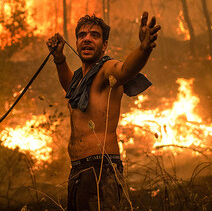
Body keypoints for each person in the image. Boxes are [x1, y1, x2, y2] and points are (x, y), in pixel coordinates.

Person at [46, 11, 160, 211]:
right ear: (77, 41)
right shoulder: (80, 79)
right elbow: (69, 87)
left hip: (101, 169)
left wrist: (143, 49)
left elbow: (125, 70)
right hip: (78, 170)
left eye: (94, 35)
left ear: (104, 44)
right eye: (82, 35)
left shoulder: (106, 70)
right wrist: (59, 59)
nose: (87, 39)